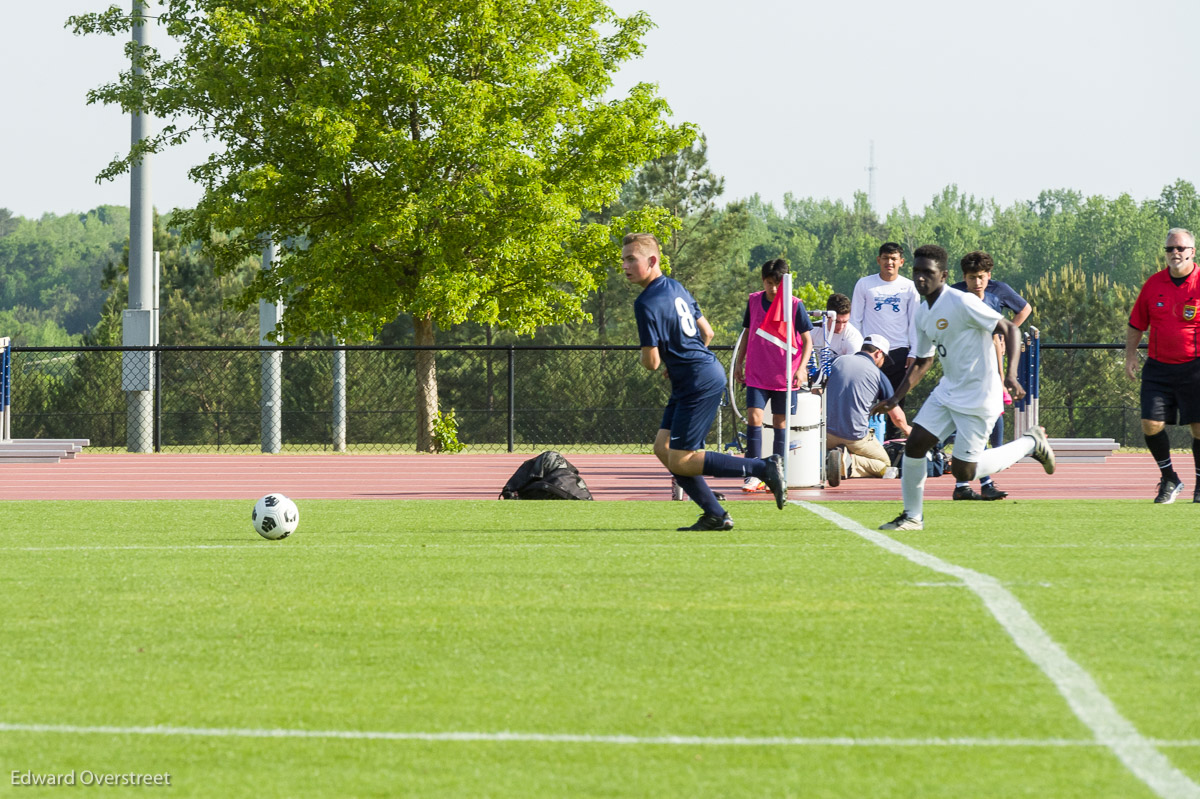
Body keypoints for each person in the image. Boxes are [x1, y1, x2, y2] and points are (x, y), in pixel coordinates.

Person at [870, 245, 1055, 531]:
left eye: (927, 273)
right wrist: (895, 398)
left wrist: (1011, 375)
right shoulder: (922, 313)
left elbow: (1011, 328)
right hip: (948, 390)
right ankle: (912, 517)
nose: (920, 278)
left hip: (980, 394)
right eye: (917, 271)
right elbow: (923, 361)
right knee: (915, 445)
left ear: (942, 275)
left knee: (962, 471)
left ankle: (1031, 443)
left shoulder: (961, 302)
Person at [623, 233, 787, 529]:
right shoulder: (675, 287)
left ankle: (762, 467)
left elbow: (651, 362)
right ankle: (715, 514)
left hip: (697, 381)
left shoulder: (645, 302)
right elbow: (707, 332)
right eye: (623, 260)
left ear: (652, 260)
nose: (625, 265)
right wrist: (683, 359)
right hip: (697, 376)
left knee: (683, 459)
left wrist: (656, 358)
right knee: (664, 449)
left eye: (631, 259)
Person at [1124, 227, 1200, 504]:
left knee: (1199, 428)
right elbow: (1136, 324)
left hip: (1195, 368)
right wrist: (1130, 356)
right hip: (1158, 368)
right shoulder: (1153, 284)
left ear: (1192, 251)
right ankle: (1170, 478)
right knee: (1150, 424)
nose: (1175, 253)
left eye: (1180, 248)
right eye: (1170, 249)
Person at [949, 251, 1033, 501]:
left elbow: (1023, 310)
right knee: (973, 425)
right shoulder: (954, 296)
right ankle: (970, 482)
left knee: (985, 424)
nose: (977, 283)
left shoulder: (996, 292)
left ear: (989, 276)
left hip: (988, 368)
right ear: (964, 278)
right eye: (972, 278)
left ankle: (974, 482)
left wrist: (1008, 335)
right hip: (963, 369)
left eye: (982, 277)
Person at [732, 259, 814, 492]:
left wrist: (801, 368)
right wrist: (739, 362)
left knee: (780, 422)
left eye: (778, 283)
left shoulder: (795, 305)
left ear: (786, 282)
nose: (773, 288)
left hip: (785, 376)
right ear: (763, 281)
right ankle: (753, 472)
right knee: (754, 418)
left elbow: (808, 340)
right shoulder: (754, 301)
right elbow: (747, 334)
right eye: (769, 283)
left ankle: (777, 472)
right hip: (757, 373)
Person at [823, 335, 911, 486]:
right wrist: (909, 432)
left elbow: (816, 389)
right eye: (883, 358)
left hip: (827, 434)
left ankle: (825, 459)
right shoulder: (879, 375)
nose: (883, 364)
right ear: (878, 354)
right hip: (855, 437)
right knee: (884, 465)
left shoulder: (836, 360)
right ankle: (849, 463)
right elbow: (896, 417)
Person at [851, 242, 917, 438]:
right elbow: (855, 320)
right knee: (865, 403)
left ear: (901, 262)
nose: (889, 262)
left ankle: (893, 447)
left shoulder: (909, 287)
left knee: (895, 404)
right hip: (870, 353)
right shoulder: (865, 284)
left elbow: (915, 322)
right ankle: (864, 445)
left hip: (899, 352)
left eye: (894, 259)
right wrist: (856, 352)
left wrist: (914, 352)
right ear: (879, 260)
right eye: (886, 258)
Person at [810, 292, 863, 361]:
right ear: (827, 316)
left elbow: (852, 368)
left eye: (845, 322)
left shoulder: (854, 337)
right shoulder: (813, 329)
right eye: (837, 322)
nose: (841, 326)